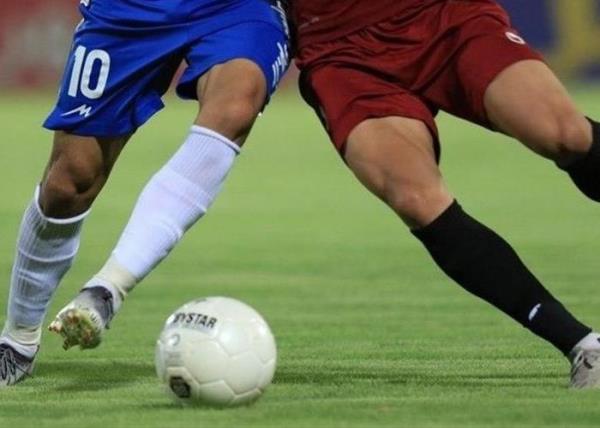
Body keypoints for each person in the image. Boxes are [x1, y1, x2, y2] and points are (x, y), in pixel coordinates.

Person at [291, 0, 600, 388]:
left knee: (564, 134)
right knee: (416, 200)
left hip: (442, 14)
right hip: (341, 51)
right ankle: (584, 346)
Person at [0, 0, 290, 386]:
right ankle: (18, 340)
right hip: (130, 9)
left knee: (236, 105)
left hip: (236, 7)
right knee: (70, 182)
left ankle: (107, 289)